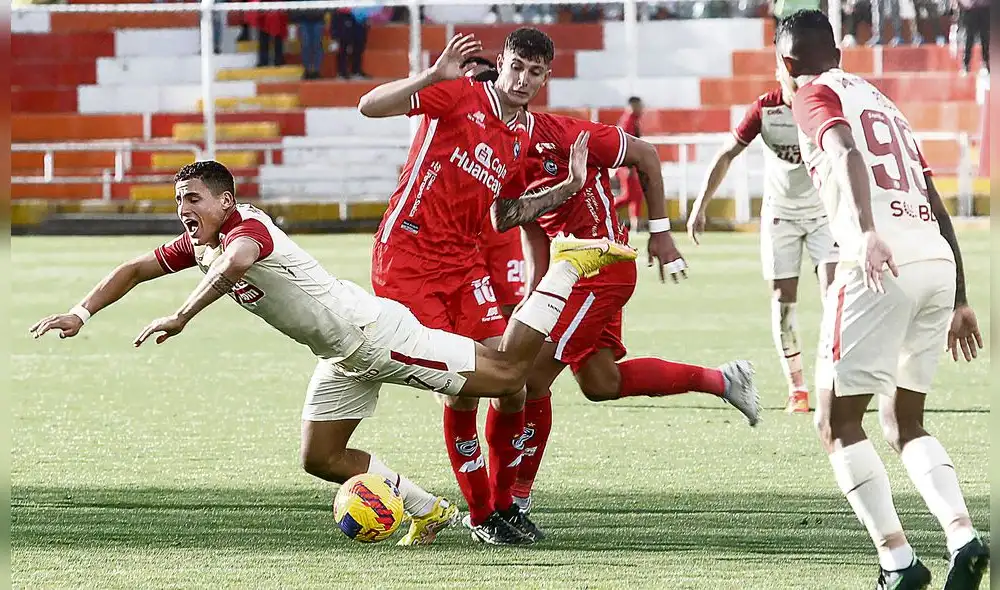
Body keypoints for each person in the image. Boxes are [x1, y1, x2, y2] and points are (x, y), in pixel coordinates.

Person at [29, 161, 635, 547]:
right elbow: (135, 267)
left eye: (194, 200)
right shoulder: (203, 244)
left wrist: (184, 315)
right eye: (179, 201)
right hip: (342, 354)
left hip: (376, 337)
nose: (184, 212)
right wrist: (81, 313)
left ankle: (563, 267)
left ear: (224, 201)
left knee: (508, 374)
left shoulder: (246, 232)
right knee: (321, 457)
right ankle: (428, 512)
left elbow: (239, 263)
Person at [776, 10, 988, 589]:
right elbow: (933, 196)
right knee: (904, 420)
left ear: (788, 63)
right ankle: (962, 536)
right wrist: (961, 297)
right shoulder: (882, 102)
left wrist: (866, 231)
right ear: (838, 49)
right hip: (935, 264)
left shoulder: (810, 93)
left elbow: (843, 149)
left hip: (878, 266)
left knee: (835, 422)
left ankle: (897, 562)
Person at [359, 29, 577, 545]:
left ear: (547, 76)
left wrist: (565, 189)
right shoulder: (457, 93)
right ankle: (483, 516)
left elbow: (504, 213)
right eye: (517, 66)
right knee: (465, 387)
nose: (523, 79)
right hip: (408, 257)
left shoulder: (523, 133)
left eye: (536, 71)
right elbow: (369, 106)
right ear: (501, 62)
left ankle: (504, 508)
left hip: (463, 263)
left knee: (512, 384)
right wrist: (434, 74)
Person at [688, 85, 839, 414]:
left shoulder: (824, 101)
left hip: (824, 213)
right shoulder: (764, 109)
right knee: (783, 303)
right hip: (780, 215)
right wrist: (700, 204)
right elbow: (727, 152)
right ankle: (797, 387)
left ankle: (834, 379)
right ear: (781, 70)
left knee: (836, 295)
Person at [462, 55, 527, 320]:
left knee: (510, 310)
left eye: (484, 79)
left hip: (501, 231)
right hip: (458, 236)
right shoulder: (446, 120)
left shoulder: (518, 130)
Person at [613, 96, 645, 231]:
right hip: (627, 166)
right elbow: (626, 145)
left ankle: (635, 225)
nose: (642, 108)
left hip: (629, 165)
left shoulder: (631, 120)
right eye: (639, 105)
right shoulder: (628, 122)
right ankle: (606, 209)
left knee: (636, 195)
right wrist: (630, 165)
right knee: (629, 195)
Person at [955, 0, 989, 75]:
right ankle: (966, 64)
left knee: (985, 37)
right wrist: (967, 4)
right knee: (969, 37)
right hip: (971, 9)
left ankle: (986, 63)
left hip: (984, 8)